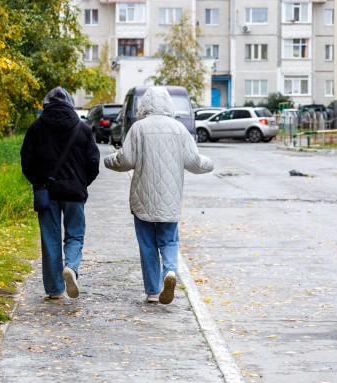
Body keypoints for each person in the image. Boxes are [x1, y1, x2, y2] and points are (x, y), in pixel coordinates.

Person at [104, 86, 213, 304]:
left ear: (143, 106)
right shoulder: (179, 129)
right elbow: (193, 161)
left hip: (142, 196)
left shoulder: (138, 128)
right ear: (168, 104)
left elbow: (125, 160)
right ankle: (170, 272)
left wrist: (108, 160)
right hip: (170, 198)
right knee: (169, 240)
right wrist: (208, 163)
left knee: (147, 244)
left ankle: (153, 291)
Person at [21, 87, 100, 300]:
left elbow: (26, 161)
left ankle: (55, 290)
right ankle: (71, 268)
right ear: (70, 104)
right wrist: (82, 184)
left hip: (47, 193)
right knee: (75, 235)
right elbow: (93, 163)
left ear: (46, 104)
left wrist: (39, 183)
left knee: (50, 239)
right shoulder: (82, 128)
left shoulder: (36, 128)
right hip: (74, 193)